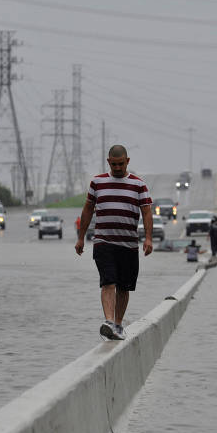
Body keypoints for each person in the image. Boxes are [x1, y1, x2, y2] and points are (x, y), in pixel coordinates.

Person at [75, 144, 153, 341]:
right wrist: (81, 238)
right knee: (108, 282)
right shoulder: (97, 182)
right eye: (114, 164)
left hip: (129, 245)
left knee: (124, 287)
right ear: (108, 162)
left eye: (121, 164)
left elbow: (146, 212)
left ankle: (118, 324)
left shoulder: (138, 185)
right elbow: (87, 210)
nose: (118, 168)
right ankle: (109, 321)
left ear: (127, 161)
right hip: (104, 242)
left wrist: (149, 238)